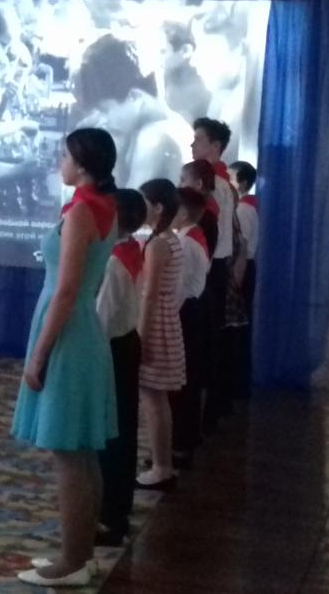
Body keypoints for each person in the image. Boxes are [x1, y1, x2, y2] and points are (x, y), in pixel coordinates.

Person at [12, 128, 119, 587]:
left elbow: (67, 289)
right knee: (81, 453)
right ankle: (80, 553)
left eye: (65, 156)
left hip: (69, 334)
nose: (60, 162)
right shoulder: (103, 205)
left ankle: (72, 562)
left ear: (83, 163)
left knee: (69, 456)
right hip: (80, 330)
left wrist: (39, 354)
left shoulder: (82, 211)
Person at [94, 189, 148, 547]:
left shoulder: (114, 263)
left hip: (113, 348)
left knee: (111, 434)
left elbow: (101, 319)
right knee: (122, 429)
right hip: (126, 343)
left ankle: (109, 516)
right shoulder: (131, 250)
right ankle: (118, 507)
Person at [72, 33, 190, 188]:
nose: (101, 120)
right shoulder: (173, 124)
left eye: (104, 110)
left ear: (135, 97)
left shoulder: (155, 139)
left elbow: (130, 202)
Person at [134, 179, 185, 492]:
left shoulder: (158, 245)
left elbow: (150, 294)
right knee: (156, 397)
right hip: (165, 318)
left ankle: (162, 466)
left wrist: (140, 336)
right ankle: (161, 461)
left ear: (158, 207)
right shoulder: (169, 239)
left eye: (144, 202)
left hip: (156, 322)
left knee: (153, 397)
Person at [191, 118, 239, 433]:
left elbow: (208, 233)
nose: (192, 145)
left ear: (215, 146)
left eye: (198, 140)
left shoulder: (214, 187)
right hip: (214, 268)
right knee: (210, 341)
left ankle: (199, 418)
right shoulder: (224, 185)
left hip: (208, 269)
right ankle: (206, 414)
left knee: (202, 344)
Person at [170, 186, 211, 465]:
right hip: (192, 310)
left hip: (185, 312)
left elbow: (179, 288)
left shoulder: (185, 243)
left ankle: (180, 446)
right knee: (187, 380)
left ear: (183, 213)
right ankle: (183, 441)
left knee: (182, 383)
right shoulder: (192, 236)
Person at [230, 160, 260, 400]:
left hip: (242, 268)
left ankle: (237, 382)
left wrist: (235, 280)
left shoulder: (243, 210)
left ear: (242, 183)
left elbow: (242, 247)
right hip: (245, 267)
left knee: (239, 325)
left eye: (231, 177)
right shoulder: (247, 207)